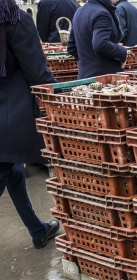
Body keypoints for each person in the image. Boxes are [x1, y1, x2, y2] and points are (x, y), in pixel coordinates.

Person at [1, 0, 60, 249]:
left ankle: (38, 230)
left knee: (13, 173)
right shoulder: (15, 20)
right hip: (8, 120)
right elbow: (38, 74)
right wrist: (61, 97)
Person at [67, 0, 128, 79]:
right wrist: (122, 52)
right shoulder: (102, 13)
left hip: (83, 79)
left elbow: (71, 47)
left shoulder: (79, 11)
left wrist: (88, 63)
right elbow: (100, 44)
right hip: (104, 81)